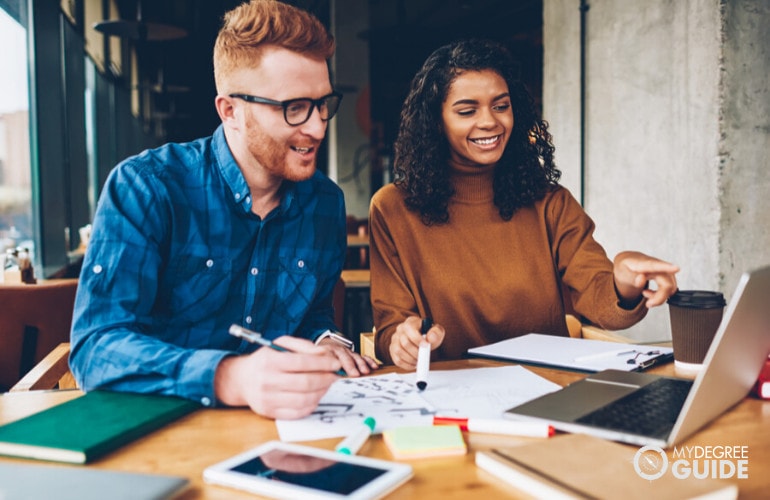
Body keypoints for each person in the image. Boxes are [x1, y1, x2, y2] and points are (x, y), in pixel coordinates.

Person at [70, 0, 377, 420]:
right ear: (230, 110)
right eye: (294, 108)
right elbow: (96, 348)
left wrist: (324, 339)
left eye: (323, 103)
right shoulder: (145, 187)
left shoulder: (325, 202)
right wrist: (232, 378)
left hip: (284, 434)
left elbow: (314, 312)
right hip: (160, 432)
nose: (318, 127)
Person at [369, 38, 680, 369]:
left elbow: (599, 298)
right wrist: (402, 341)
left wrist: (624, 284)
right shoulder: (394, 208)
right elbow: (391, 327)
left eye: (501, 106)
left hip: (549, 389)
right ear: (435, 120)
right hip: (450, 396)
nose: (490, 121)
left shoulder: (549, 203)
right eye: (467, 111)